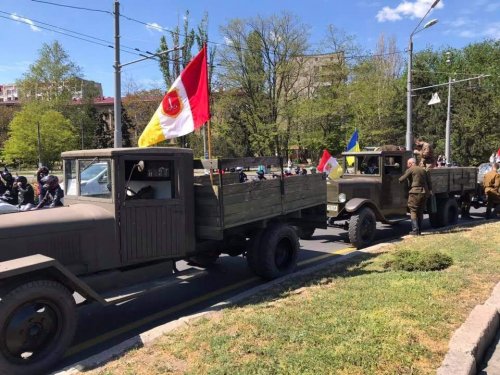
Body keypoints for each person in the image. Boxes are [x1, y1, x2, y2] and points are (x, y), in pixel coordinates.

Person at [399, 158, 433, 235]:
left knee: (413, 210)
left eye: (408, 164)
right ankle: (419, 230)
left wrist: (398, 179)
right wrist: (430, 190)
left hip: (415, 192)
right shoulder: (423, 170)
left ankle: (415, 230)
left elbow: (402, 179)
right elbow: (429, 181)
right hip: (424, 192)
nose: (407, 166)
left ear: (411, 163)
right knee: (420, 211)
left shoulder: (411, 169)